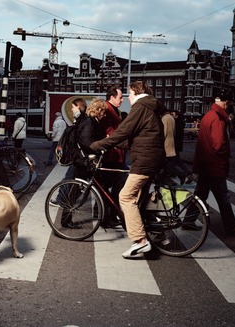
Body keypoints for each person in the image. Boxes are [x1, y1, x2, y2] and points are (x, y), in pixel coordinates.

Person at [90, 80, 165, 259]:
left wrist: (98, 145)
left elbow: (123, 132)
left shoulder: (141, 107)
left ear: (137, 92)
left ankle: (140, 241)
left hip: (145, 160)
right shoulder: (151, 107)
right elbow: (135, 138)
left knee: (125, 196)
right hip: (152, 157)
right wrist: (113, 145)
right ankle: (158, 234)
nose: (128, 98)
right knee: (139, 200)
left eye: (130, 93)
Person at [190, 90, 235, 235]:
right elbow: (218, 144)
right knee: (223, 198)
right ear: (226, 103)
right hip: (214, 166)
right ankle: (231, 226)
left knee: (200, 195)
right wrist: (224, 156)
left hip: (205, 164)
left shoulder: (209, 115)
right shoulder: (218, 118)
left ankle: (188, 220)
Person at [61, 98, 108, 228]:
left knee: (96, 187)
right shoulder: (89, 122)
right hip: (83, 162)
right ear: (98, 111)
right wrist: (103, 144)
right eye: (103, 112)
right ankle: (66, 219)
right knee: (75, 190)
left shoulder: (93, 122)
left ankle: (102, 216)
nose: (104, 115)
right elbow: (87, 142)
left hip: (87, 161)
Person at [99, 86, 127, 228]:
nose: (122, 100)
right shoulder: (108, 110)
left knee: (109, 186)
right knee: (115, 185)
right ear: (111, 97)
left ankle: (104, 214)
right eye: (120, 97)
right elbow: (110, 131)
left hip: (116, 154)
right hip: (112, 155)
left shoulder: (114, 109)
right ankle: (107, 216)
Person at [170, 109, 195, 184]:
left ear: (177, 116)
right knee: (176, 161)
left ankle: (187, 173)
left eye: (173, 115)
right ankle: (185, 173)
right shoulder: (179, 123)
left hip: (174, 145)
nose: (171, 116)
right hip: (176, 145)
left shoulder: (176, 123)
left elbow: (175, 135)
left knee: (175, 161)